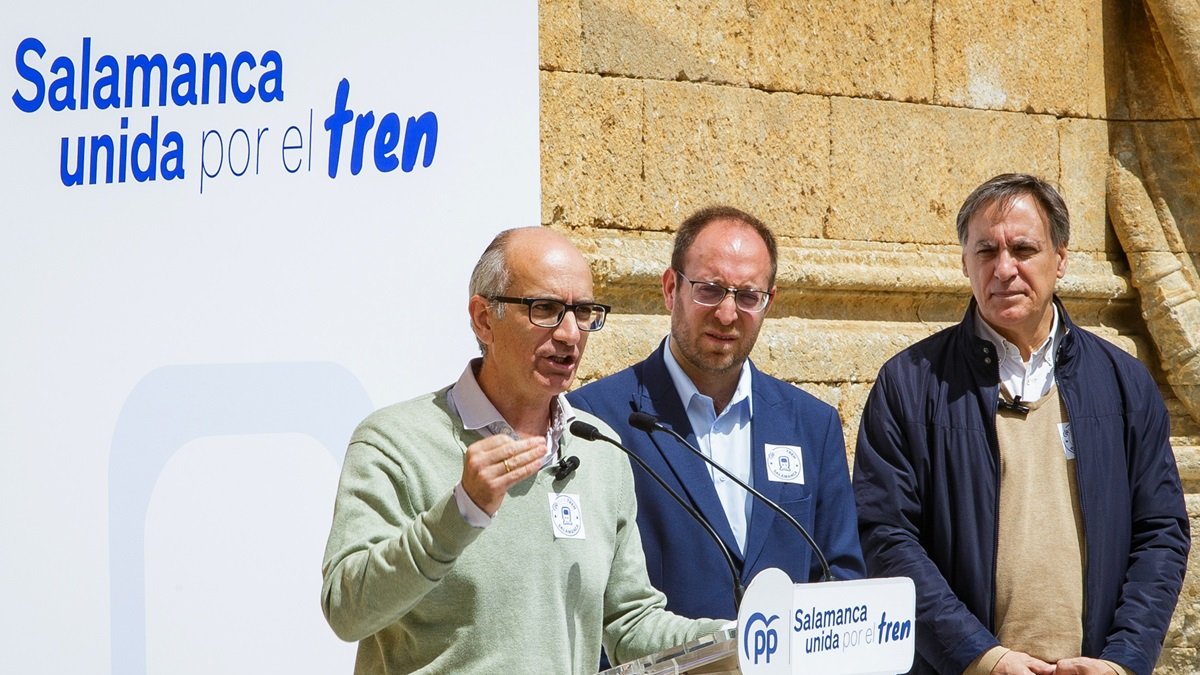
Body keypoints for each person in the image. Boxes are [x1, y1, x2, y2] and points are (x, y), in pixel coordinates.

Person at [320, 227, 724, 674]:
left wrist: (737, 640)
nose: (571, 334)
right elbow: (346, 609)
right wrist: (459, 514)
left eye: (584, 311)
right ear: (483, 318)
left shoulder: (598, 447)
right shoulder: (394, 441)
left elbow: (629, 623)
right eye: (546, 309)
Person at [854, 173, 1190, 675]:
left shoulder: (1123, 383)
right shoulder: (910, 384)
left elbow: (1160, 531)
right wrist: (980, 658)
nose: (1004, 269)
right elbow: (885, 535)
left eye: (1024, 249)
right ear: (964, 262)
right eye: (986, 251)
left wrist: (1123, 661)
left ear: (1061, 258)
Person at [569, 205, 865, 621]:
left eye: (748, 297)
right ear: (671, 288)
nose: (727, 315)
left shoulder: (811, 425)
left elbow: (840, 579)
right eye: (709, 289)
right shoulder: (597, 419)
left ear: (769, 302)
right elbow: (582, 593)